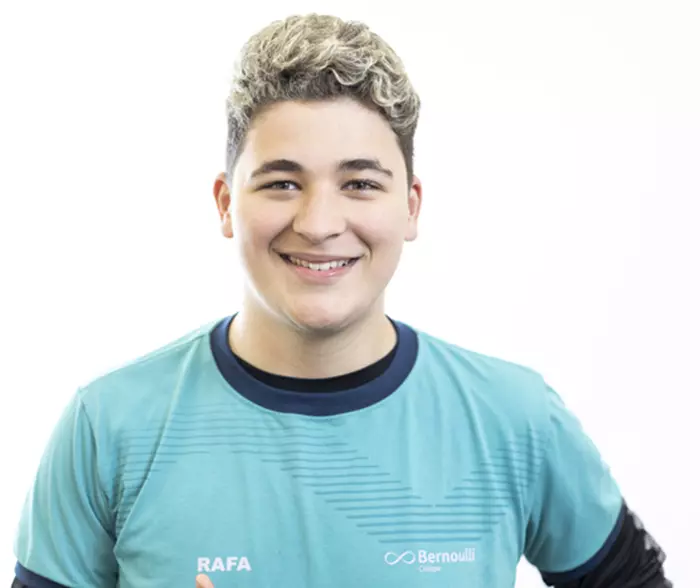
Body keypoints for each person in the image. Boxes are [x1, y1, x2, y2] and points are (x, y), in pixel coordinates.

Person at [12, 13, 671, 588]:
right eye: (281, 183)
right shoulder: (110, 428)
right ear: (226, 203)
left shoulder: (516, 420)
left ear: (410, 205)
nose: (320, 223)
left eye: (359, 183)